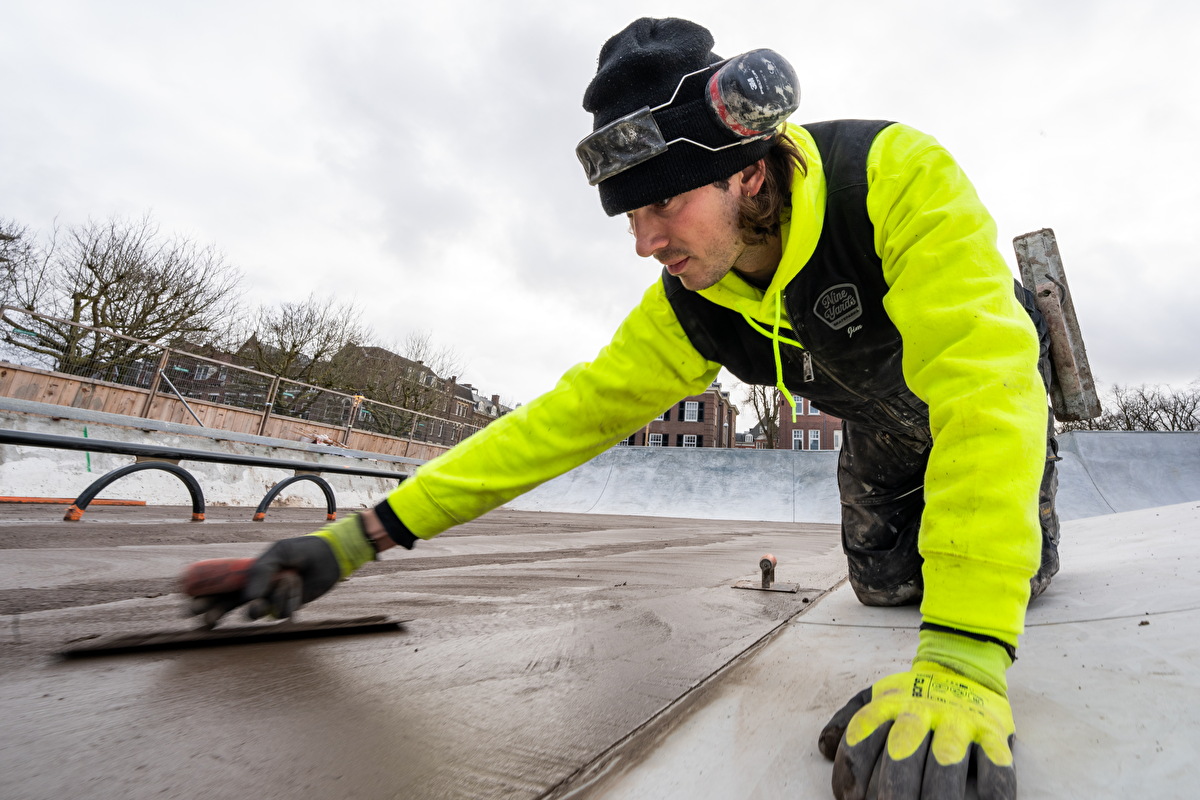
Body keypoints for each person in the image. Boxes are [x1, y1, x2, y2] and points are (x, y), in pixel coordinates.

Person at [189, 17, 1059, 800]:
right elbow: (560, 423)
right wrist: (353, 540)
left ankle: (1021, 533)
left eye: (663, 204)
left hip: (973, 401)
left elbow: (987, 392)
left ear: (748, 171)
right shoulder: (692, 304)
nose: (645, 243)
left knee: (1013, 573)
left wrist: (962, 658)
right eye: (629, 215)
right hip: (874, 429)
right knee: (883, 587)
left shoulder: (894, 180)